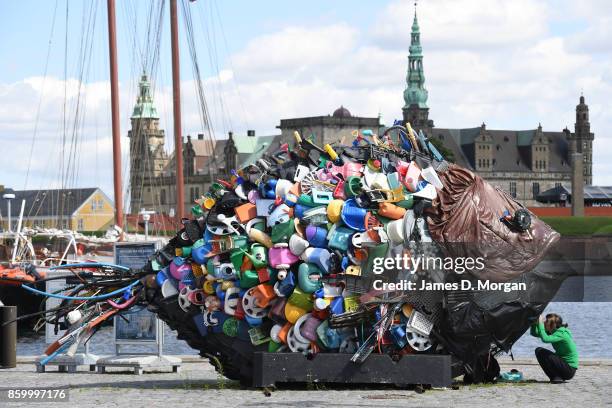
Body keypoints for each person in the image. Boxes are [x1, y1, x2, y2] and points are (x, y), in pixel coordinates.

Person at [530, 313, 578, 383]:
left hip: (569, 369)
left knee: (540, 351)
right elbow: (534, 333)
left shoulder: (562, 333)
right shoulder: (554, 332)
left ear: (554, 325)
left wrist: (540, 324)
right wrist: (534, 324)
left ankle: (557, 377)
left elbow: (545, 339)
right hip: (564, 366)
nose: (544, 323)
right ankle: (556, 377)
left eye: (546, 322)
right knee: (539, 352)